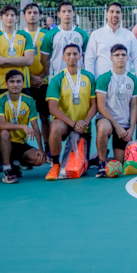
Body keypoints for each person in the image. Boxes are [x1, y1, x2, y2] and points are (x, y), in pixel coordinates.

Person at [44, 43, 98, 180]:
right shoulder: (57, 79)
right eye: (68, 54)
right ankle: (55, 164)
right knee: (55, 127)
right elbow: (53, 108)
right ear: (63, 58)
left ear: (80, 56)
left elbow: (94, 105)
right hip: (65, 124)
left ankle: (86, 159)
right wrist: (73, 124)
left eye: (75, 54)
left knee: (77, 170)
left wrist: (85, 122)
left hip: (83, 126)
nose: (72, 57)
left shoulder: (89, 77)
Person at [94, 44, 137, 177]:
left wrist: (131, 128)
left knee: (119, 164)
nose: (120, 57)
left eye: (123, 55)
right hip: (107, 120)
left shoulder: (132, 79)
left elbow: (134, 106)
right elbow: (101, 106)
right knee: (103, 128)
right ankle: (102, 162)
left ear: (128, 58)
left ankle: (95, 158)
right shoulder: (104, 78)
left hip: (124, 123)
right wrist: (116, 126)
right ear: (111, 58)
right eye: (117, 55)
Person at [0, 69, 46, 184]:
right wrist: (23, 127)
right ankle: (7, 169)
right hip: (1, 144)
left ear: (23, 83)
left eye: (18, 81)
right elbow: (2, 125)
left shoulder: (28, 100)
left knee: (39, 159)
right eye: (12, 81)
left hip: (20, 143)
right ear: (6, 83)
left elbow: (35, 127)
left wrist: (41, 150)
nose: (15, 85)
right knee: (4, 133)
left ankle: (15, 163)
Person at [84, 2, 137, 80]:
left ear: (121, 16)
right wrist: (90, 80)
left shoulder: (129, 35)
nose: (114, 14)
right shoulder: (96, 34)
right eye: (111, 12)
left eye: (118, 12)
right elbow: (89, 59)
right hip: (102, 82)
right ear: (106, 15)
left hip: (125, 81)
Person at [22, 2, 51, 142]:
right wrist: (31, 77)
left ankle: (48, 148)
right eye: (29, 12)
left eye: (35, 12)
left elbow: (51, 58)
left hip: (43, 82)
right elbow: (18, 59)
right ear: (24, 16)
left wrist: (41, 76)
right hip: (25, 82)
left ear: (40, 16)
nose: (32, 15)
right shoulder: (19, 35)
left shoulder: (47, 34)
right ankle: (22, 147)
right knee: (22, 116)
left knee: (45, 117)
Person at [39, 1, 90, 79]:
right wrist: (51, 72)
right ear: (58, 14)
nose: (67, 14)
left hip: (78, 77)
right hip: (57, 77)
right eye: (63, 11)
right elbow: (44, 59)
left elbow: (86, 57)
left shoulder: (82, 34)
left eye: (69, 11)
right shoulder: (50, 34)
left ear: (73, 13)